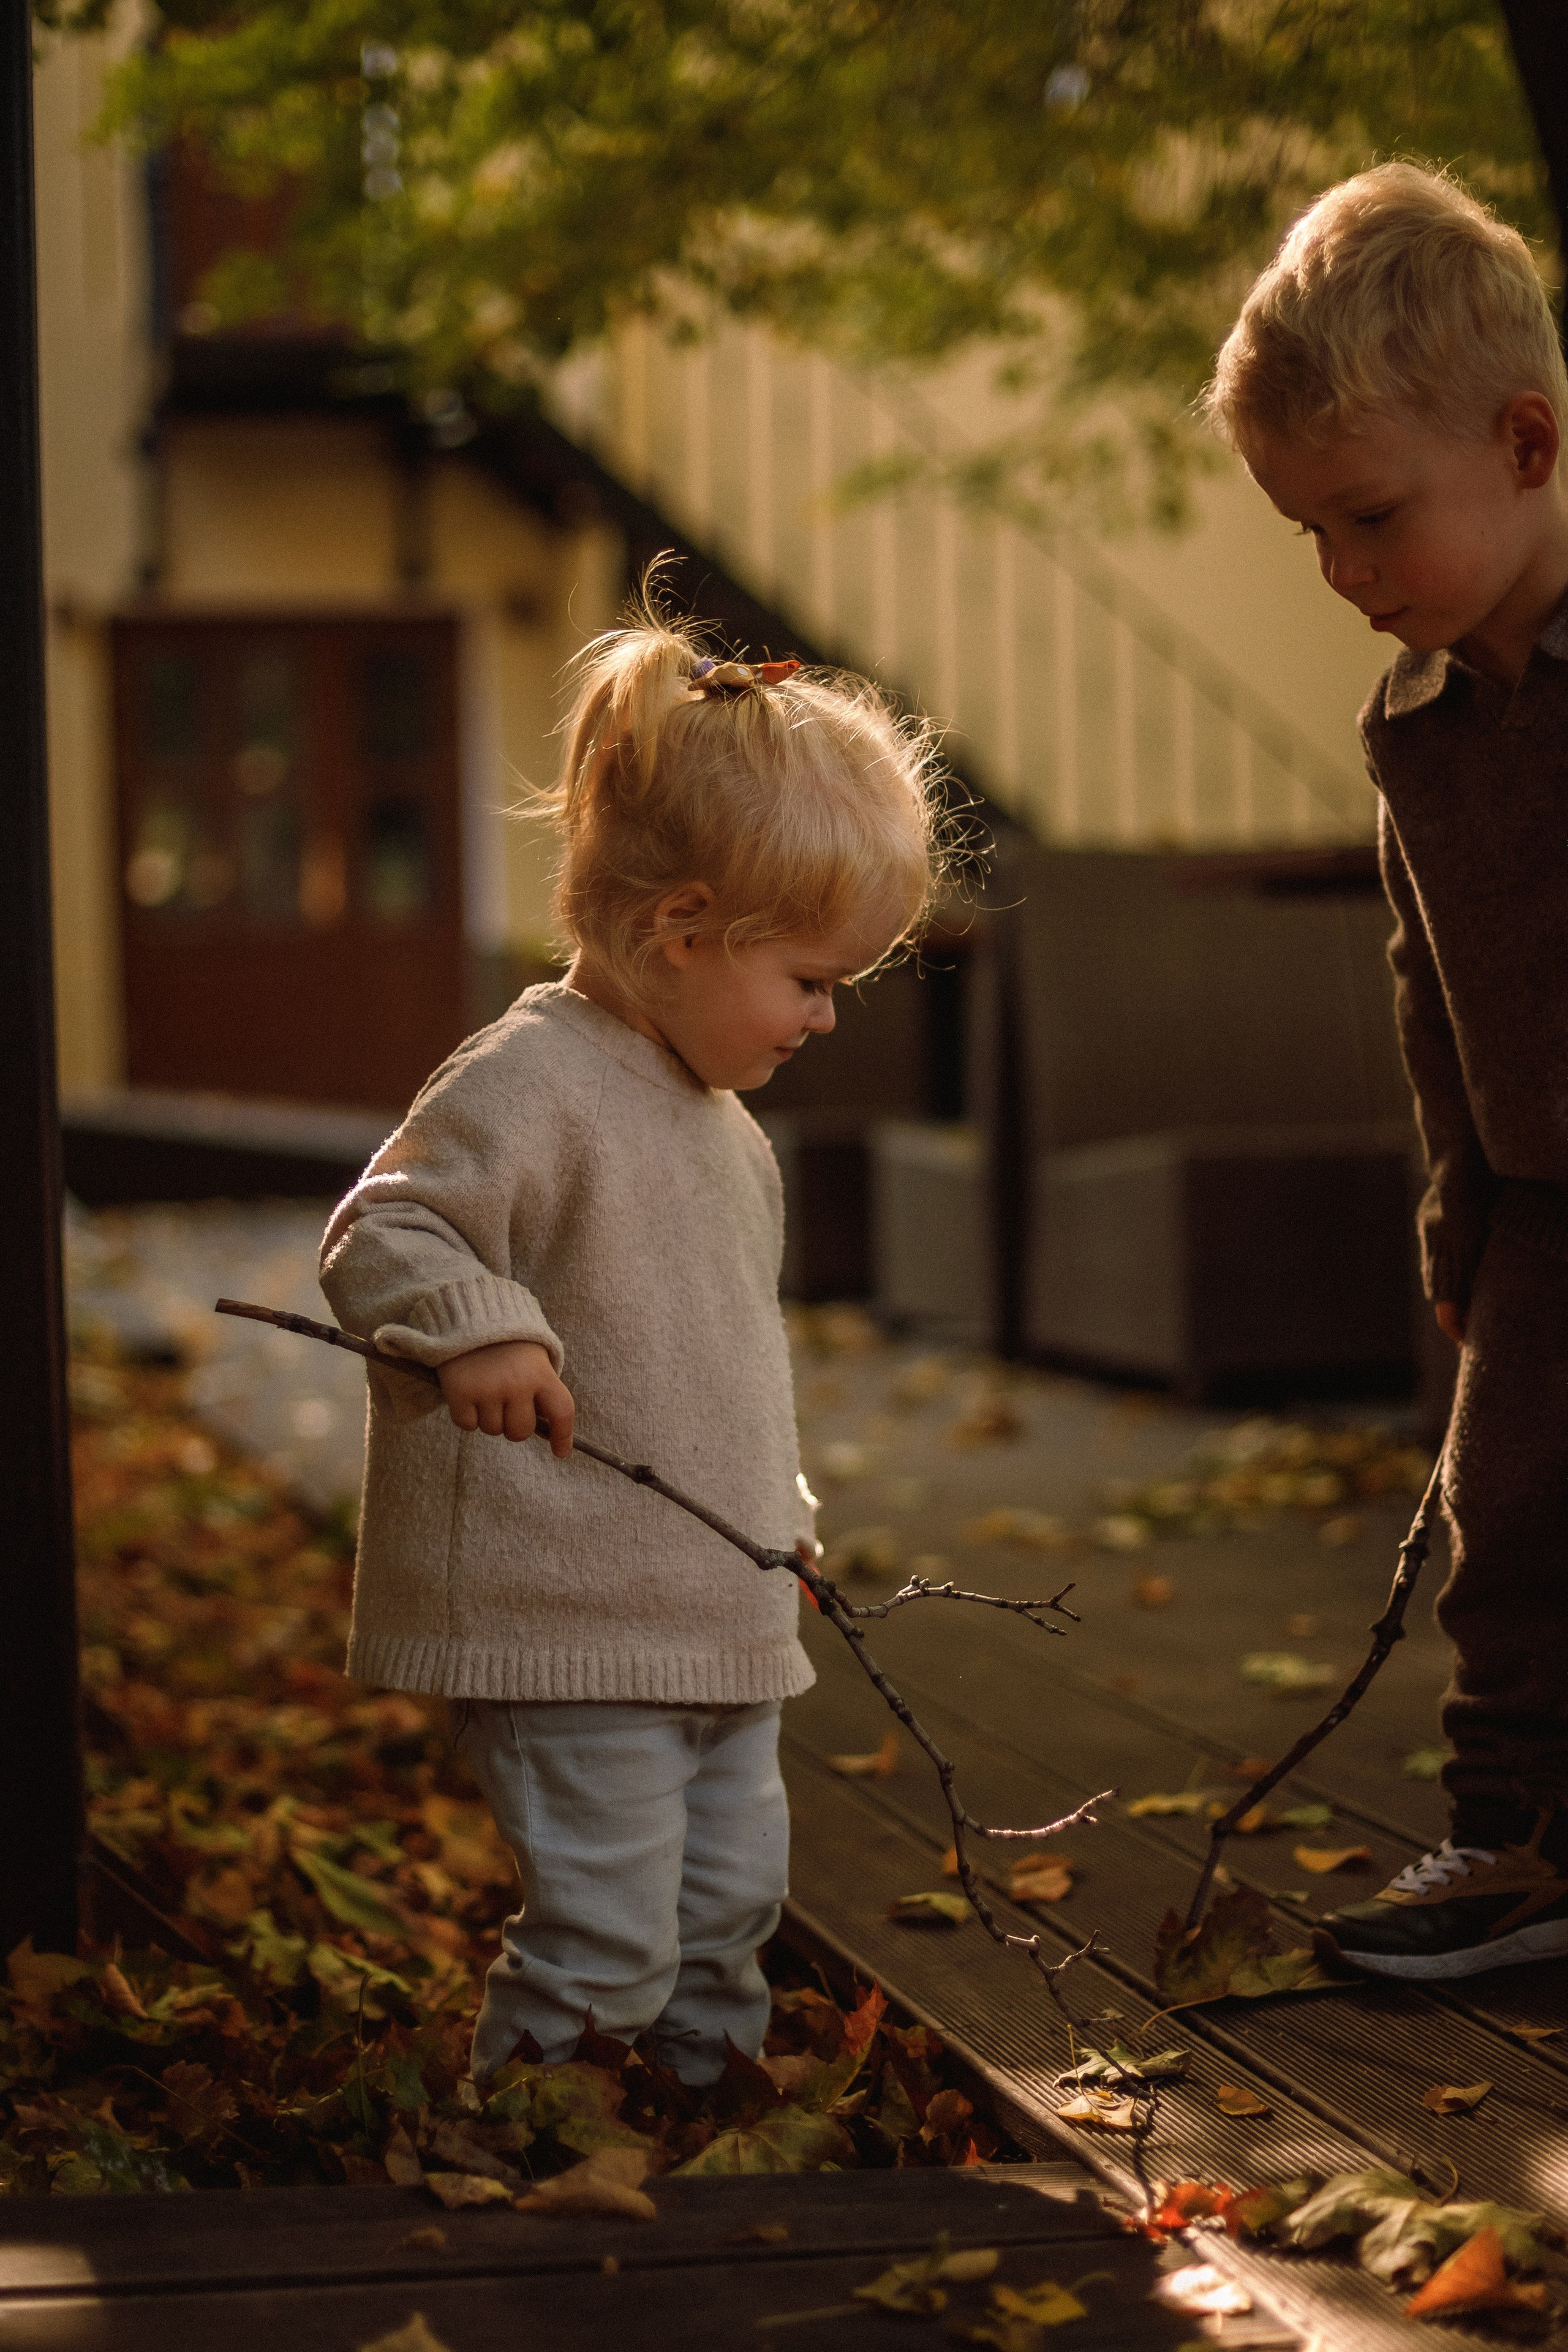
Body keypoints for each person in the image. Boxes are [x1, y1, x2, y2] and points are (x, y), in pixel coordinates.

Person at [320, 599, 946, 2078]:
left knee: (728, 1908)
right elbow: (385, 1231)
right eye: (808, 980)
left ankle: (694, 2120)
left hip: (709, 1616)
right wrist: (475, 1327)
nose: (826, 1021)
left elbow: (720, 1366)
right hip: (564, 1621)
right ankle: (543, 2134)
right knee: (606, 1928)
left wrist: (772, 1521)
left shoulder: (730, 1137)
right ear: (680, 932)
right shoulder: (532, 1081)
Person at [1205, 160, 1568, 1980]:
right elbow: (1430, 982)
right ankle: (1507, 1848)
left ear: (1525, 441)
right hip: (1537, 1204)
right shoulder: (1412, 722)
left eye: (1370, 520)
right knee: (1503, 1525)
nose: (1346, 575)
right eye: (1311, 539)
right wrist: (1459, 1206)